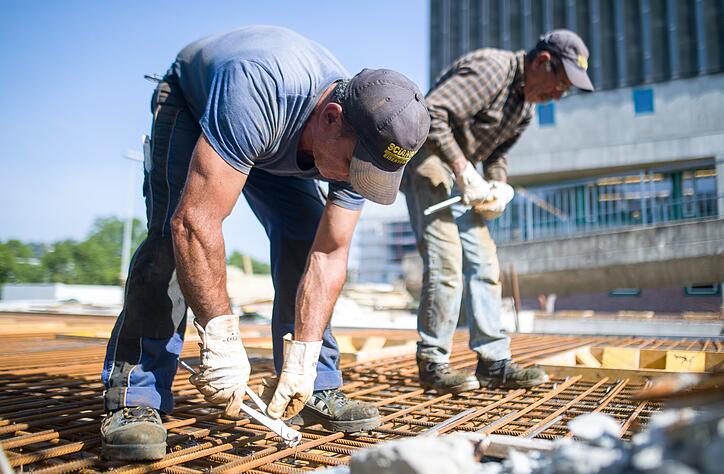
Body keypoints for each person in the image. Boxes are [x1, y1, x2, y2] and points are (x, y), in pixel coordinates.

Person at [99, 25, 429, 461]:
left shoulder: (364, 138)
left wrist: (304, 356)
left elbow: (329, 255)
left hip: (284, 138)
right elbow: (196, 224)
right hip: (196, 107)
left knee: (306, 237)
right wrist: (220, 339)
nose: (355, 180)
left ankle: (316, 384)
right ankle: (136, 399)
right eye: (354, 165)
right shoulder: (258, 88)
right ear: (331, 118)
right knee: (169, 240)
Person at [400, 30, 594, 394]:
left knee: (485, 263)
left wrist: (498, 185)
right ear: (542, 62)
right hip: (430, 160)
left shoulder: (526, 106)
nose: (558, 96)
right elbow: (431, 112)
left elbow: (497, 154)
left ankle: (493, 362)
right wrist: (462, 169)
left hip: (463, 169)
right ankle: (433, 363)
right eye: (559, 84)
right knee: (447, 261)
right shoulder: (492, 69)